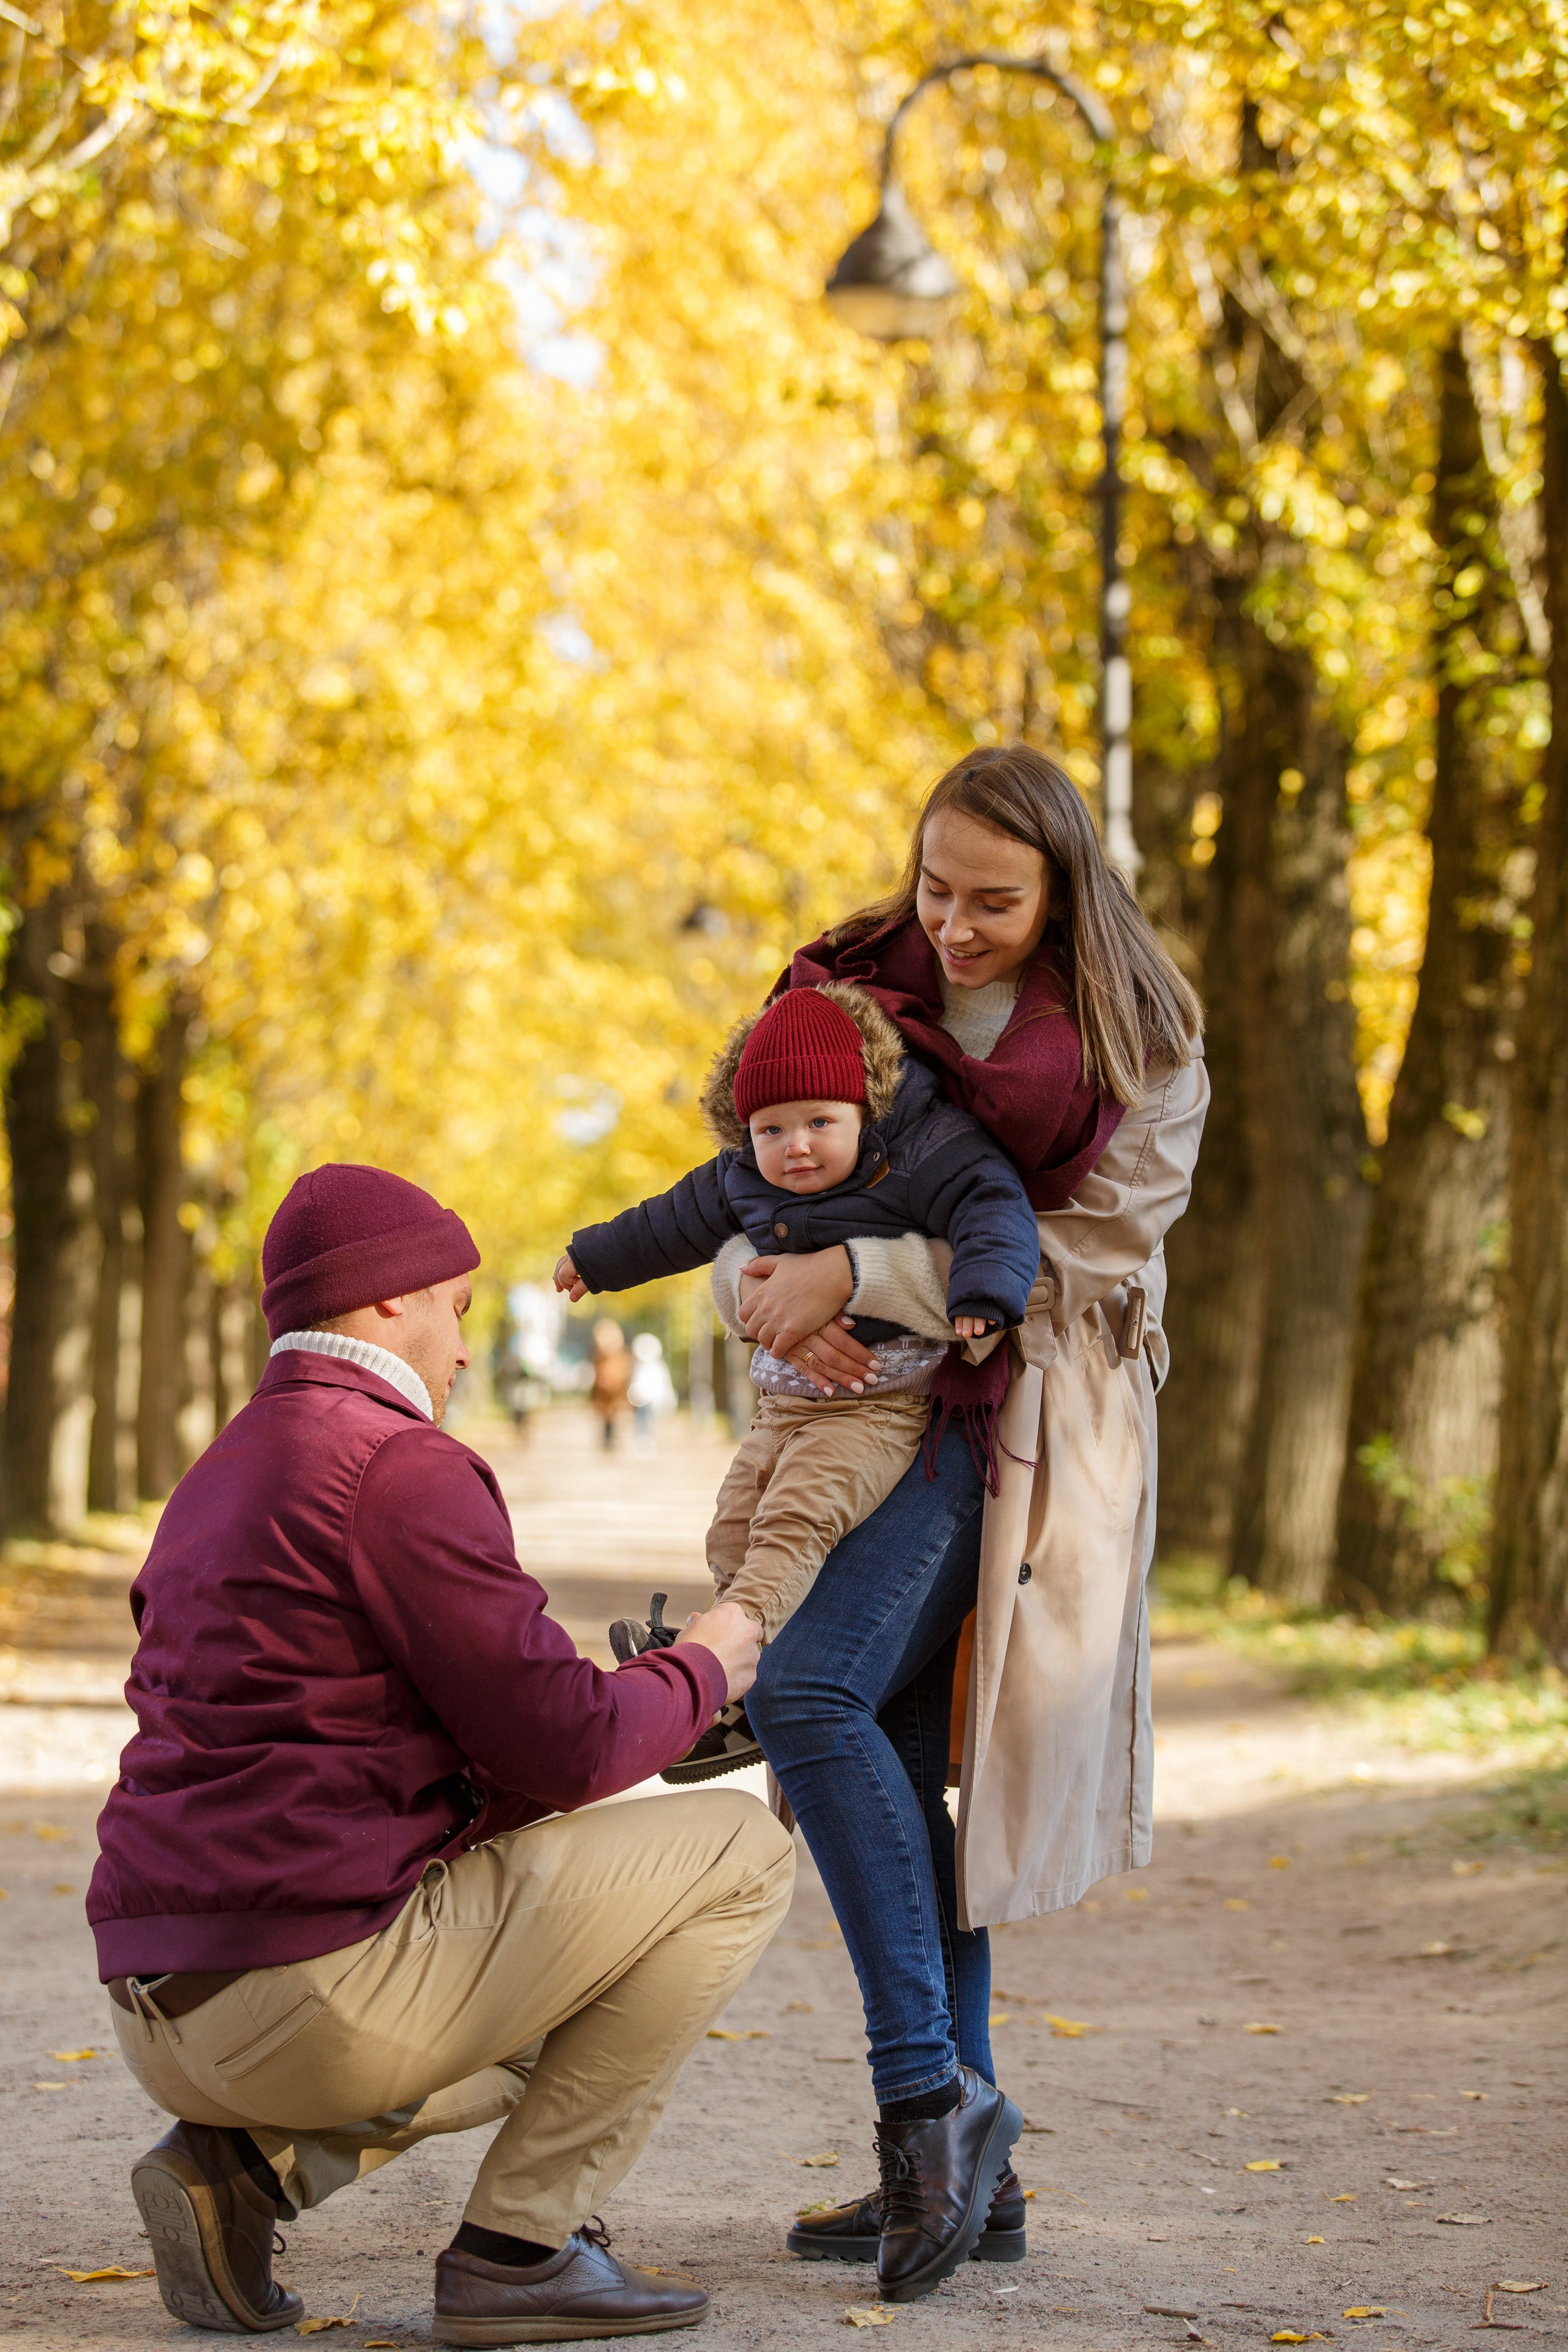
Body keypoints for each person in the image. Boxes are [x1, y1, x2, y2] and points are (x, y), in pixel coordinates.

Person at [87, 1163, 791, 2345]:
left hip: (162, 2010)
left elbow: (386, 1745)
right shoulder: (395, 1464)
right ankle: (521, 2250)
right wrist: (711, 1662)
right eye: (455, 1307)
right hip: (305, 2001)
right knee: (737, 1851)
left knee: (579, 1927)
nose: (465, 1348)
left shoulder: (222, 1472)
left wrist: (640, 1714)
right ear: (383, 1302)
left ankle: (248, 2171)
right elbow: (565, 1747)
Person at [703, 744, 1207, 2304]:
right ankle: (955, 2150)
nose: (956, 924)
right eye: (935, 887)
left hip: (1014, 1419)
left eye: (994, 900)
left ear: (1062, 888)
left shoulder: (1140, 1039)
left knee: (802, 1692)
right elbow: (753, 1183)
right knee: (897, 1764)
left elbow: (1082, 1255)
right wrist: (767, 1288)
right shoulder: (850, 992)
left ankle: (936, 2101)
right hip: (859, 1412)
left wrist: (853, 1274)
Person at [553, 982, 1044, 1785]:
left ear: (865, 1110)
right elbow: (670, 1221)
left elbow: (992, 1207)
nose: (798, 1148)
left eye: (821, 1122)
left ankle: (722, 1656)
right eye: (771, 1130)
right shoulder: (743, 1177)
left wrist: (983, 1293)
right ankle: (741, 1688)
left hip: (876, 1409)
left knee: (794, 1522)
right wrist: (597, 1258)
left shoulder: (923, 1152)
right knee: (731, 1533)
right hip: (782, 1404)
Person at [627, 1332, 677, 1453]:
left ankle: (649, 1440)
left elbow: (664, 1383)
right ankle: (641, 1439)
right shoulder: (639, 1366)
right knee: (641, 1419)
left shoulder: (659, 1366)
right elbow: (634, 1381)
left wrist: (667, 1397)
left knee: (651, 1420)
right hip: (642, 1399)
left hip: (655, 1399)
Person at [589, 1316, 633, 1449]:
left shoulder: (621, 1355)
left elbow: (624, 1370)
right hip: (603, 1391)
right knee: (605, 1416)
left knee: (613, 1415)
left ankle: (610, 1438)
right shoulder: (600, 1356)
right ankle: (607, 1439)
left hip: (615, 1390)